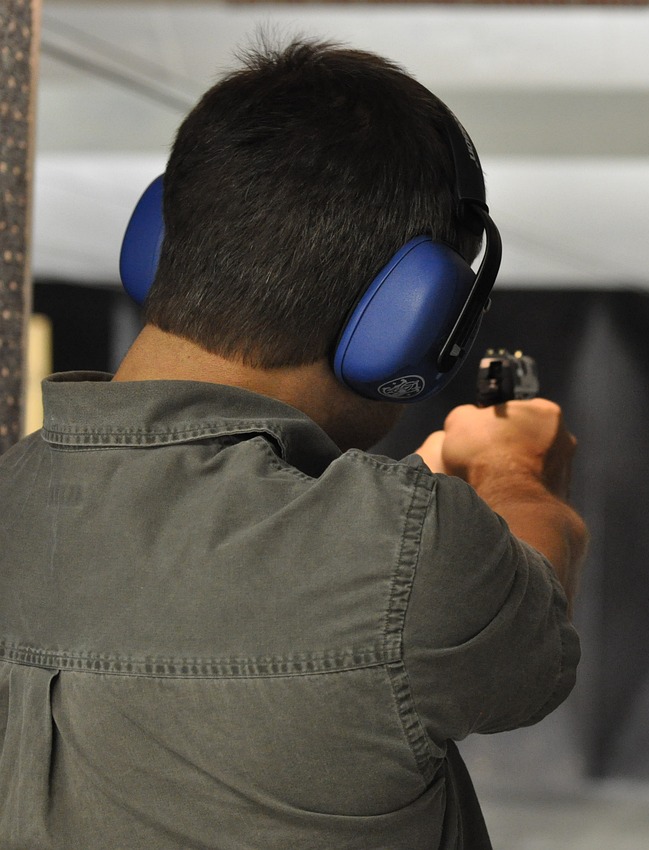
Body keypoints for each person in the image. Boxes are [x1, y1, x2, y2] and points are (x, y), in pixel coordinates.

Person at [0, 38, 586, 849]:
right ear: (415, 322)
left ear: (157, 240)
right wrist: (516, 470)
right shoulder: (413, 562)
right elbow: (533, 627)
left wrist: (394, 520)